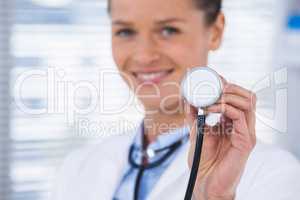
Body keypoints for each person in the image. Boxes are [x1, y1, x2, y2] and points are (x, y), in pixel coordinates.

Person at [51, 0, 300, 199]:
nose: (144, 55)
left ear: (215, 31)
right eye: (125, 31)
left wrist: (212, 198)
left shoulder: (274, 173)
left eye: (168, 30)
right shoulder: (77, 167)